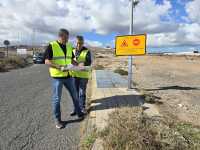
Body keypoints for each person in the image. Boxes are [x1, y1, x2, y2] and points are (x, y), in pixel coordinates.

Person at [44, 29, 84, 129]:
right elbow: (47, 61)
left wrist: (78, 65)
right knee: (57, 99)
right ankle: (58, 120)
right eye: (65, 38)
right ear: (60, 36)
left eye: (68, 38)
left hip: (69, 76)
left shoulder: (69, 46)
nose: (67, 40)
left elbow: (71, 59)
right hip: (57, 77)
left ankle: (79, 113)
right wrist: (59, 67)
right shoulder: (52, 45)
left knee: (75, 96)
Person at [70, 36, 92, 116]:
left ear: (83, 43)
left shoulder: (87, 51)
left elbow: (89, 62)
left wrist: (83, 63)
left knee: (82, 92)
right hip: (74, 75)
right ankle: (75, 108)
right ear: (75, 43)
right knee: (75, 93)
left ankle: (82, 108)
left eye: (80, 43)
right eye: (77, 43)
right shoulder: (71, 51)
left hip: (83, 76)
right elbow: (69, 60)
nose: (78, 45)